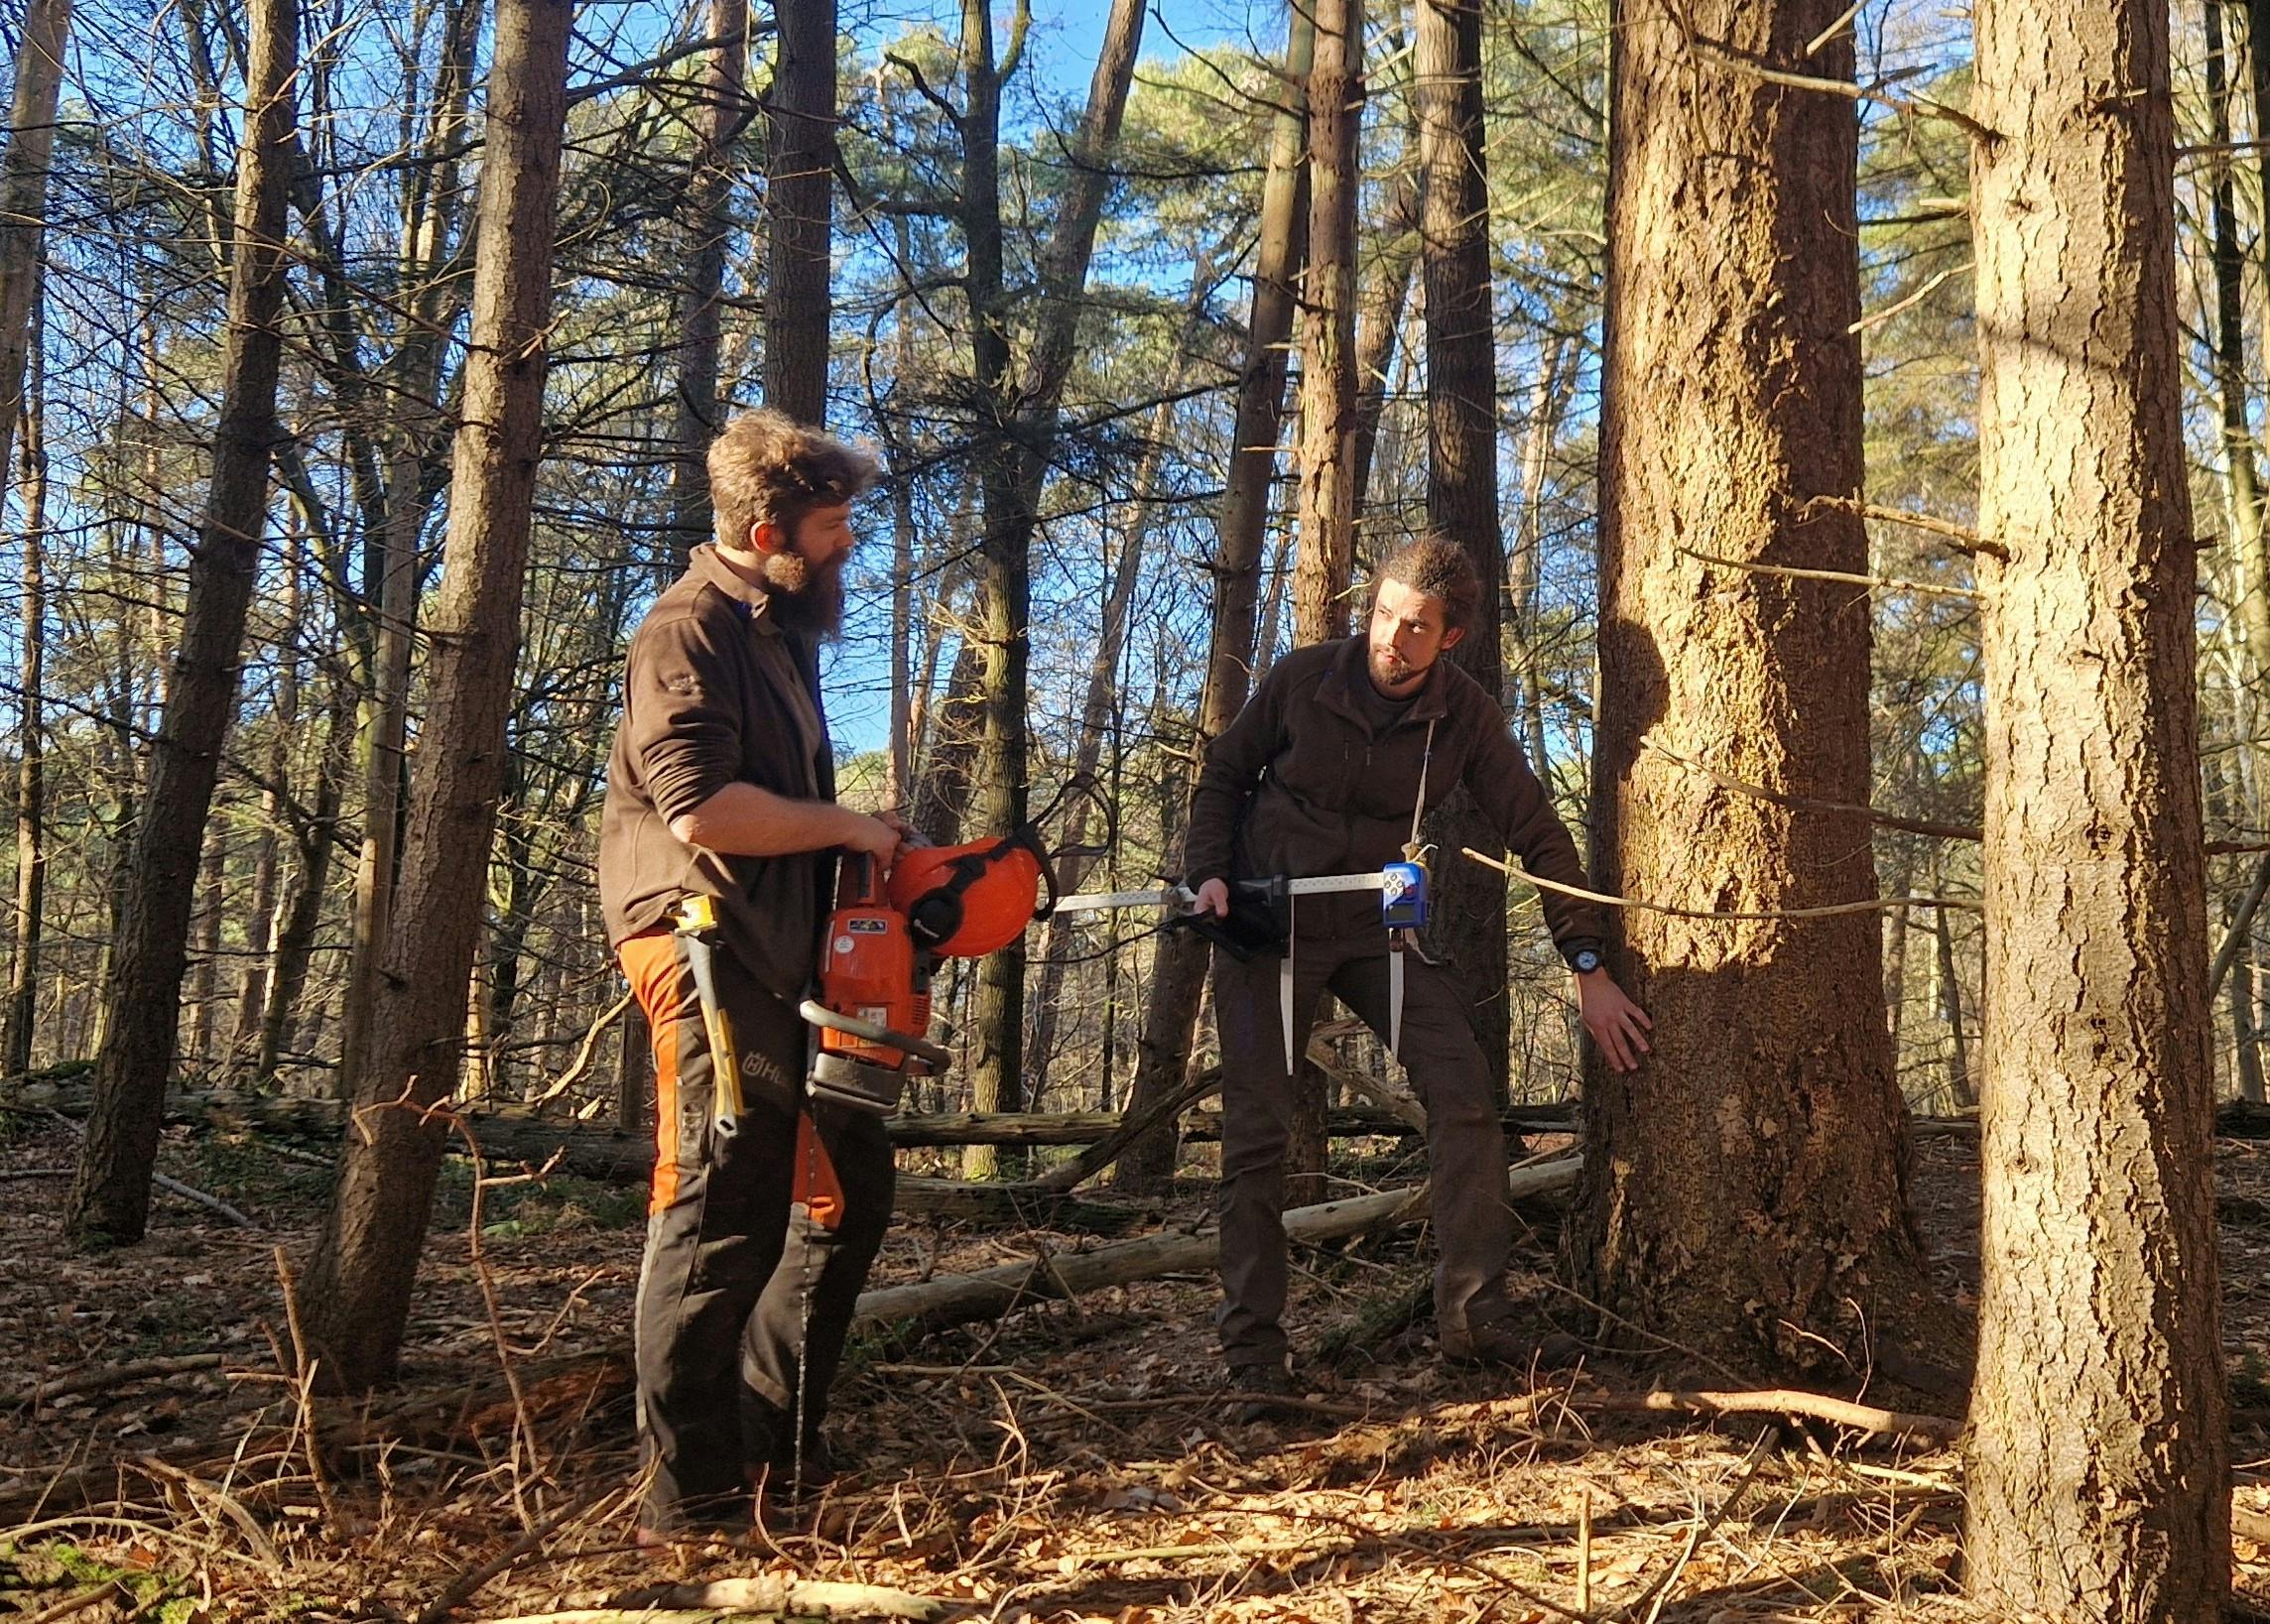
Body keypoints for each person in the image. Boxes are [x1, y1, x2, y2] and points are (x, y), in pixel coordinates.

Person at [1184, 535, 1651, 1405]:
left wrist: (1586, 961)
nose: (1391, 639)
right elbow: (1224, 775)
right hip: (1264, 925)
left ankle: (1475, 1321)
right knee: (1255, 1138)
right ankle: (1254, 1357)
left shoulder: (1463, 715)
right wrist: (1207, 871)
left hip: (1375, 933)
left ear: (1452, 637)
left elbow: (1538, 834)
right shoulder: (1301, 678)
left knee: (1464, 1090)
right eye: (1385, 616)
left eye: (1416, 627)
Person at [597, 408, 911, 1542]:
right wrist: (842, 821)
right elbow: (702, 806)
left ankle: (771, 1445)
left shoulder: (774, 633)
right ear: (764, 525)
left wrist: (867, 841)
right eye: (832, 527)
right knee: (717, 1209)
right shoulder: (685, 630)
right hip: (701, 945)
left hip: (780, 959)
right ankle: (690, 1502)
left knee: (842, 1191)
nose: (846, 548)